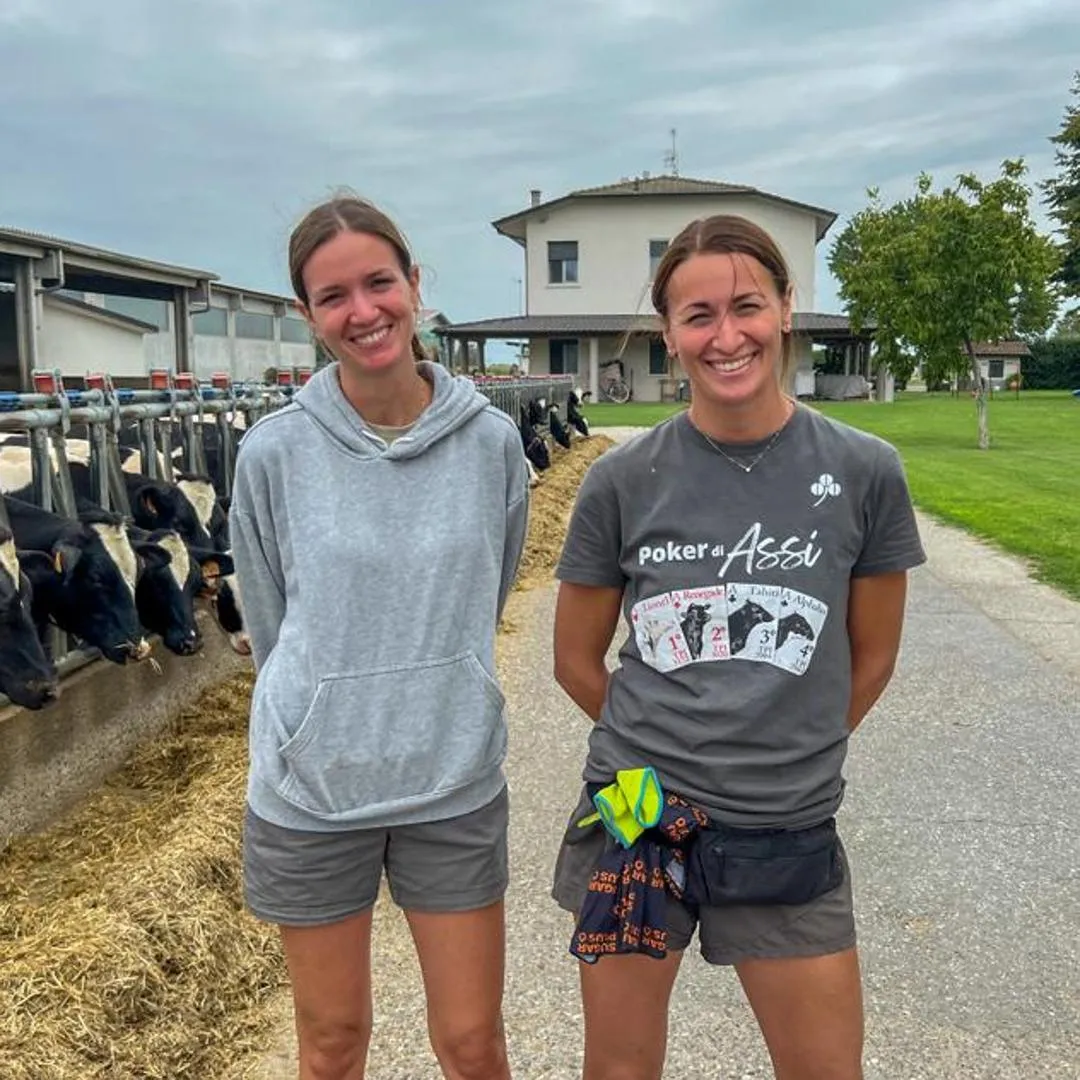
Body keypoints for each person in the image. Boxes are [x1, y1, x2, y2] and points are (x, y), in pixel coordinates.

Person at [550, 214, 927, 1080]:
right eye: (698, 316)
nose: (727, 336)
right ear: (670, 334)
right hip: (637, 809)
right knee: (618, 1070)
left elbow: (871, 657)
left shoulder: (865, 471)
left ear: (788, 309)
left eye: (747, 306)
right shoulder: (622, 480)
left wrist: (783, 742)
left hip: (784, 816)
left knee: (827, 1068)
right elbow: (575, 660)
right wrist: (663, 746)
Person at [231, 194, 530, 1080]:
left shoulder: (492, 445)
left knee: (473, 1043)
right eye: (333, 297)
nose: (363, 312)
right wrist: (328, 705)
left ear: (414, 285)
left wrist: (442, 681)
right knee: (332, 1045)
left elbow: (489, 586)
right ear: (307, 315)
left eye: (378, 283)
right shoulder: (272, 454)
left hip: (452, 778)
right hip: (314, 791)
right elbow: (272, 618)